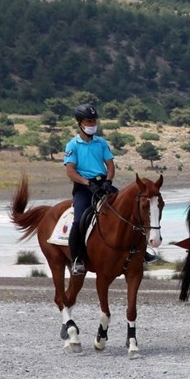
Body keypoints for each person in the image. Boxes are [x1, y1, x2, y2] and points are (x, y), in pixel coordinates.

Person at [63, 103, 115, 275]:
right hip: (84, 188)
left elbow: (110, 165)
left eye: (94, 121)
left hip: (103, 184)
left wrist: (108, 180)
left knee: (130, 209)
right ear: (80, 123)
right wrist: (87, 183)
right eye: (89, 121)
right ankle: (76, 259)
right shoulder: (73, 145)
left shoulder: (101, 143)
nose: (93, 124)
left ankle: (141, 251)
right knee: (78, 222)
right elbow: (70, 171)